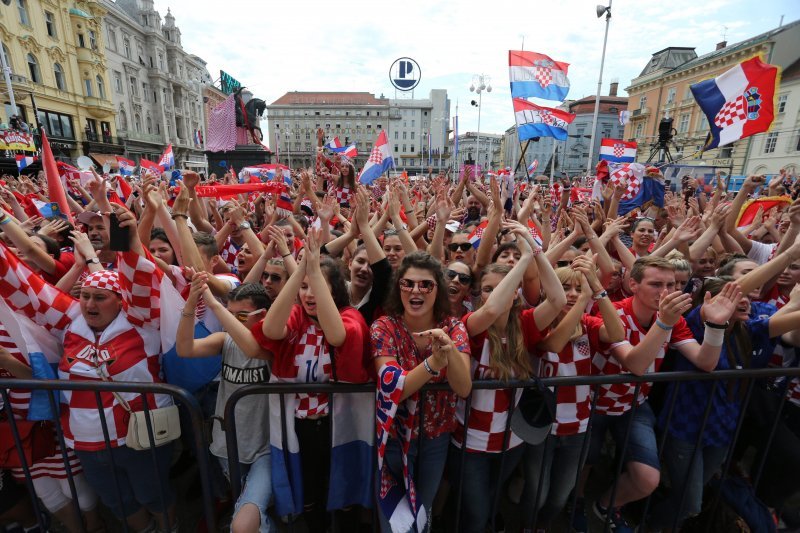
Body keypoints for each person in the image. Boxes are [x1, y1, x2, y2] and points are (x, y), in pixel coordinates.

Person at [0, 207, 177, 532]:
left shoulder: (141, 323)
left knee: (153, 497)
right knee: (118, 502)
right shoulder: (70, 320)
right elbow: (21, 283)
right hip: (85, 442)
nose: (90, 304)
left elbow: (137, 276)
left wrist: (125, 233)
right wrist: (2, 221)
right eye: (85, 297)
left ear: (120, 301)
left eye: (100, 298)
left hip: (137, 439)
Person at [576, 256, 738, 532]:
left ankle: (605, 506)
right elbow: (636, 364)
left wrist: (715, 326)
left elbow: (705, 361)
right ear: (633, 285)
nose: (665, 292)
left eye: (672, 284)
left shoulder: (671, 320)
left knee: (647, 479)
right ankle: (576, 502)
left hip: (633, 406)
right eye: (656, 284)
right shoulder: (614, 312)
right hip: (592, 406)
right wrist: (663, 323)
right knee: (585, 462)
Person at [251, 228, 372, 532]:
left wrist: (314, 273)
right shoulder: (296, 316)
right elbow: (271, 331)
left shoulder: (350, 316)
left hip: (340, 424)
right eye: (303, 288)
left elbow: (337, 336)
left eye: (315, 287)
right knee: (311, 493)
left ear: (335, 291)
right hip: (301, 427)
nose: (308, 295)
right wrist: (302, 271)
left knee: (343, 489)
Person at [448, 221, 565, 532]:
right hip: (469, 443)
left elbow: (558, 301)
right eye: (488, 289)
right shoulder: (469, 325)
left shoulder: (525, 323)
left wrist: (536, 252)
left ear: (515, 295)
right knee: (476, 512)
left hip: (511, 440)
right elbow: (489, 312)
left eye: (505, 290)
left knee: (489, 502)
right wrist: (523, 259)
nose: (496, 295)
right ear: (479, 294)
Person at [521, 253, 625, 531]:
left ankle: (541, 526)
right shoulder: (535, 322)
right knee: (537, 492)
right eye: (564, 287)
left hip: (577, 426)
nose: (571, 294)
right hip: (540, 426)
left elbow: (617, 334)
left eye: (578, 289)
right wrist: (583, 299)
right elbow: (553, 345)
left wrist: (597, 290)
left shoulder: (588, 325)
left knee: (559, 495)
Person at [371, 251, 472, 533]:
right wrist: (432, 364)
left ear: (437, 290)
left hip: (435, 439)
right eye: (408, 283)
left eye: (426, 284)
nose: (416, 290)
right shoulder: (384, 327)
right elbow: (394, 390)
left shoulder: (454, 327)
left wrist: (449, 354)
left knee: (421, 517)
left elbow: (463, 388)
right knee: (395, 522)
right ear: (398, 288)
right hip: (393, 439)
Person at [177, 280, 273, 533]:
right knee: (246, 505)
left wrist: (212, 304)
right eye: (229, 315)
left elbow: (253, 349)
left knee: (245, 521)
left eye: (240, 316)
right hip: (227, 444)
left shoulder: (273, 344)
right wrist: (190, 304)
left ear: (262, 315)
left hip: (266, 446)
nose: (230, 322)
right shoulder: (224, 340)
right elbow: (185, 349)